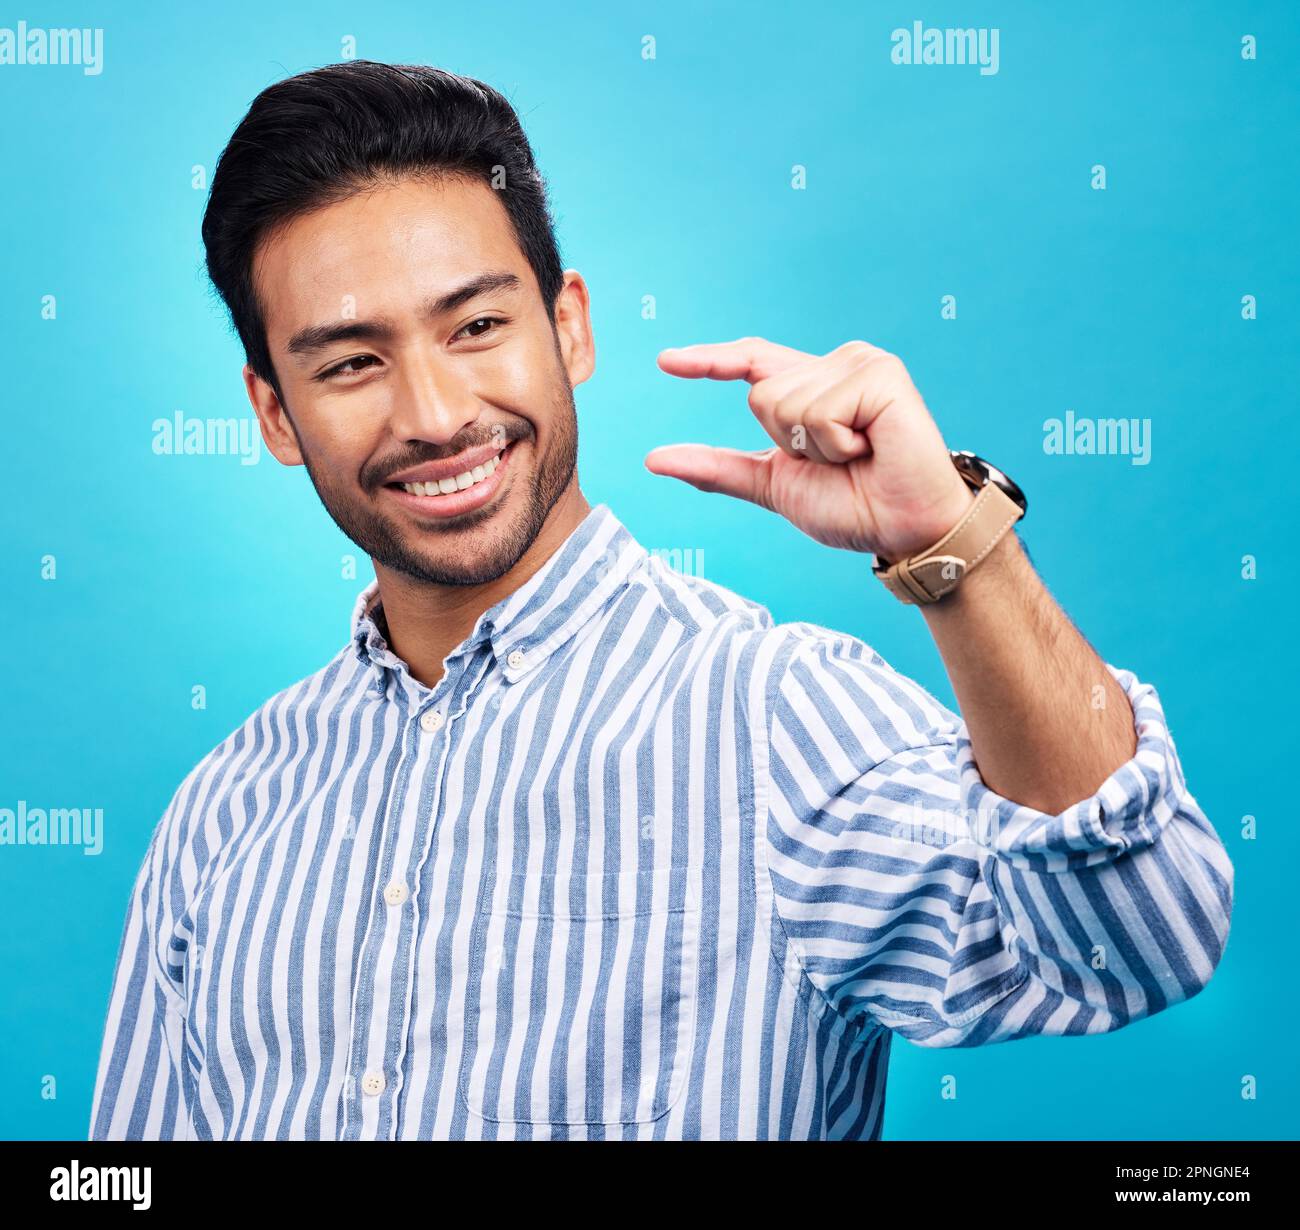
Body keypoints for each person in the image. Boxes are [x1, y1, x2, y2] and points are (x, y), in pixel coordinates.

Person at [89, 61, 1233, 1141]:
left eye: (478, 325)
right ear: (276, 413)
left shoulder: (776, 722)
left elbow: (1144, 940)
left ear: (569, 326)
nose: (434, 413)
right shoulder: (223, 815)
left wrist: (953, 547)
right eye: (350, 362)